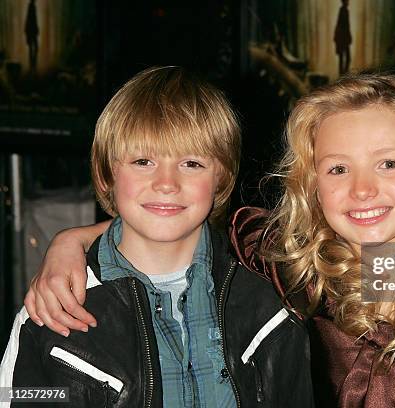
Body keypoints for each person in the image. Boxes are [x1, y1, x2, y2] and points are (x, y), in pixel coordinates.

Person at [18, 74, 395, 407]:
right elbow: (179, 214)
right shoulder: (292, 260)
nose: (361, 190)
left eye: (388, 164)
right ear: (310, 185)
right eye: (336, 170)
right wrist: (73, 240)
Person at [0, 66, 313, 407]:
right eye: (143, 160)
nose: (166, 183)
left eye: (192, 163)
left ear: (221, 178)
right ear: (107, 174)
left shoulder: (269, 291)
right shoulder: (54, 306)